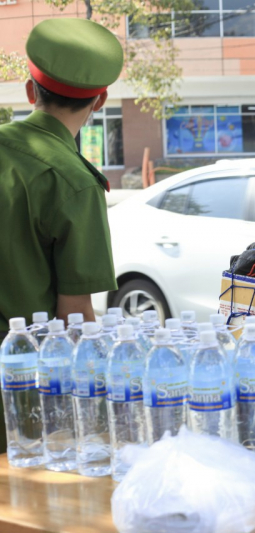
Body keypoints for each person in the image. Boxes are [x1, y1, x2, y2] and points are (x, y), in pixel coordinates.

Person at [0, 19, 124, 452]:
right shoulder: (74, 183)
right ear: (101, 100)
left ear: (31, 90)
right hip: (19, 389)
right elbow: (75, 318)